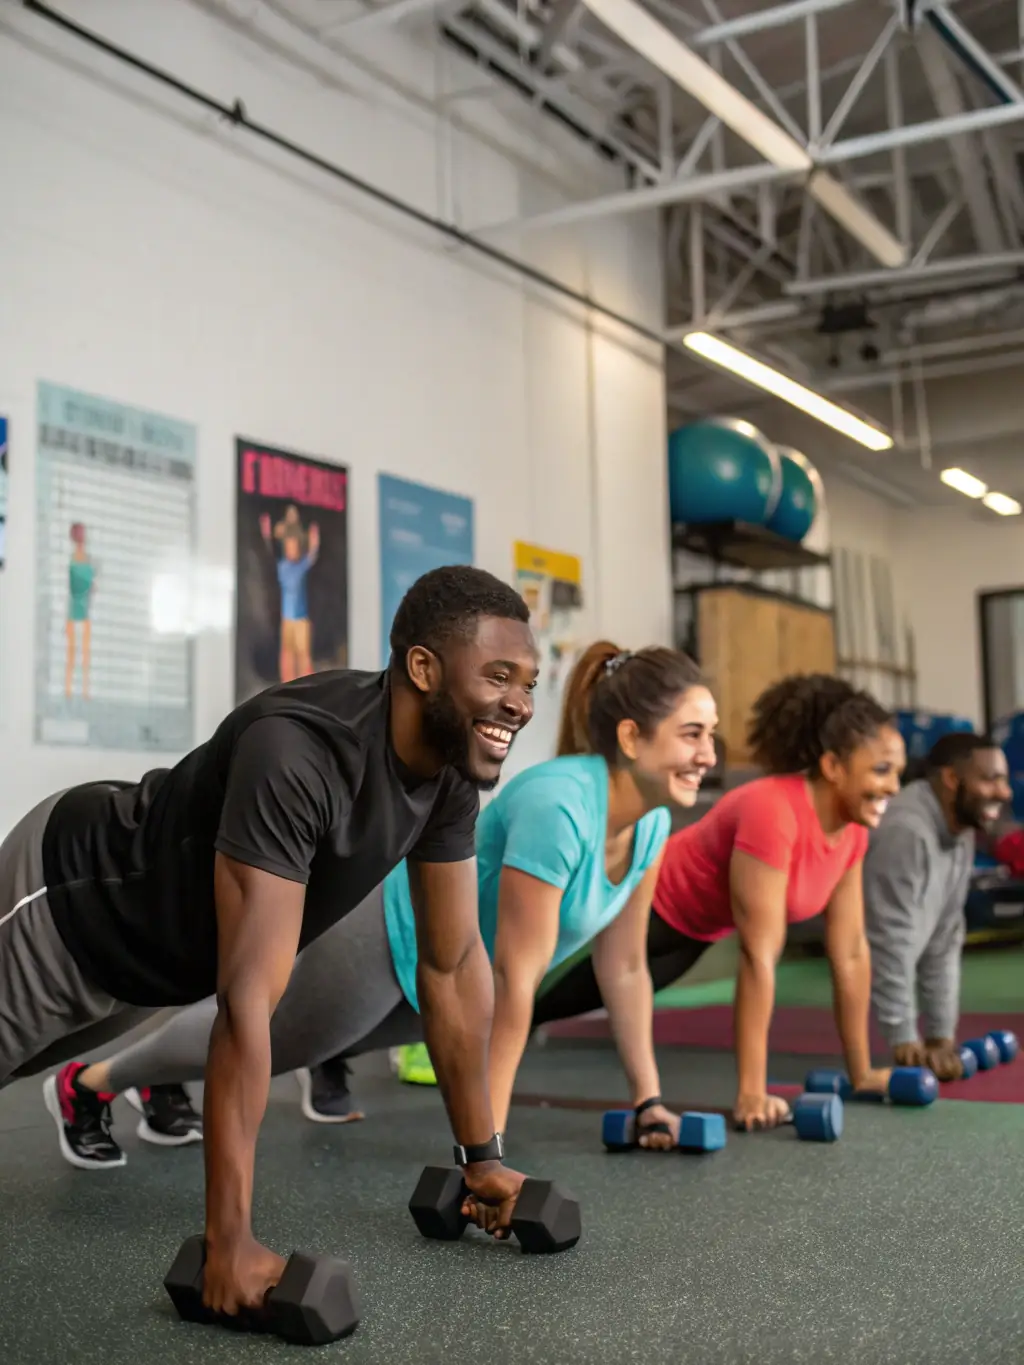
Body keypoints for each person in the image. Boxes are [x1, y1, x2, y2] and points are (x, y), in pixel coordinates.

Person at [0, 564, 538, 1315]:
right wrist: (228, 1246)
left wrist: (481, 1160)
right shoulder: (298, 751)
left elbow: (450, 966)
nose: (521, 703)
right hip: (69, 900)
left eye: (528, 683)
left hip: (149, 966)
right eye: (499, 676)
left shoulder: (447, 777)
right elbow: (248, 1002)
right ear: (424, 668)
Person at [64, 639, 718, 1152]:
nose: (709, 755)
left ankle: (173, 1078)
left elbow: (625, 967)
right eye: (692, 734)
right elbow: (513, 979)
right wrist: (485, 1152)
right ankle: (91, 1082)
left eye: (710, 735)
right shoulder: (562, 806)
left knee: (296, 1041)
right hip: (390, 934)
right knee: (269, 1039)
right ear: (631, 738)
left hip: (450, 971)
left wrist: (648, 1102)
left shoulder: (650, 824)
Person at [532, 674, 906, 1131]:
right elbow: (758, 957)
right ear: (833, 766)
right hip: (645, 897)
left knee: (560, 1002)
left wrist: (862, 1073)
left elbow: (850, 953)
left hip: (696, 929)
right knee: (532, 976)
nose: (894, 787)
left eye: (898, 772)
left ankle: (501, 1036)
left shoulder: (851, 834)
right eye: (882, 770)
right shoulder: (773, 809)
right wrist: (752, 1092)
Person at [862, 731, 1011, 1081]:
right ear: (951, 779)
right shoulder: (906, 831)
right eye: (990, 779)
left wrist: (940, 1036)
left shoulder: (961, 828)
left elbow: (944, 937)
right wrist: (903, 1037)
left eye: (1004, 781)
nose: (1004, 793)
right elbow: (889, 938)